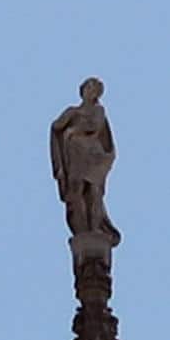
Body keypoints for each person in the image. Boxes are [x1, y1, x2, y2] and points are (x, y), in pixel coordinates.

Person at [49, 77, 119, 251]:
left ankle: (95, 228)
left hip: (93, 156)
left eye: (95, 89)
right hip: (75, 156)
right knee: (76, 192)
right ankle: (81, 228)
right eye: (89, 87)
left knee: (94, 191)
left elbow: (93, 126)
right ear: (83, 90)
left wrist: (73, 130)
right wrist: (67, 127)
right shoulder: (72, 111)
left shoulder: (98, 110)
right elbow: (56, 126)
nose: (91, 91)